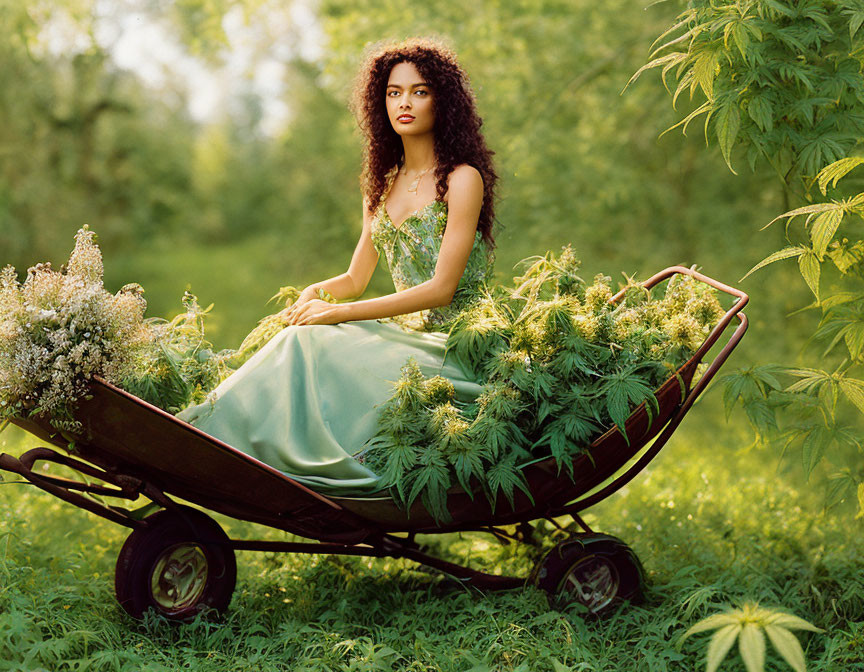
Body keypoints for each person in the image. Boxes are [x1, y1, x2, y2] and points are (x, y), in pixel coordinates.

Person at [176, 37, 498, 496]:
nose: (404, 102)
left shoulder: (462, 179)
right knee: (298, 335)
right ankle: (204, 433)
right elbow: (354, 279)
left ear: (442, 102)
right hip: (409, 339)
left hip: (458, 347)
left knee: (316, 342)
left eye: (419, 91)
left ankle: (233, 446)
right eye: (393, 92)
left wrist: (341, 313)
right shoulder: (381, 187)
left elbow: (442, 289)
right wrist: (315, 294)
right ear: (380, 101)